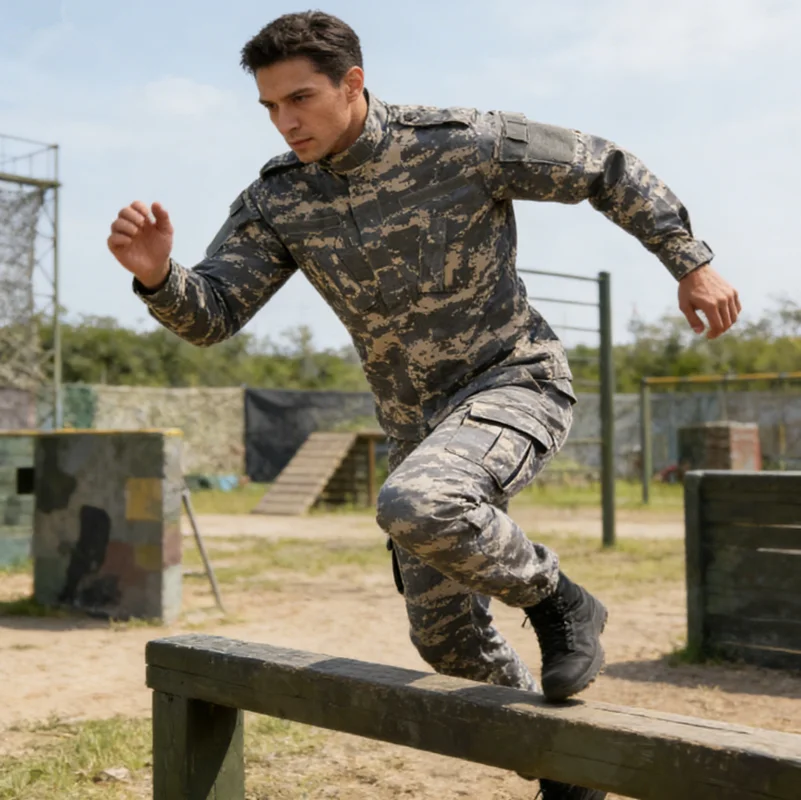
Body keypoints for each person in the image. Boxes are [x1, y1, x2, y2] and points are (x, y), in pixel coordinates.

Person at [107, 11, 740, 798]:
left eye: (300, 98)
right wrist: (160, 277)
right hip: (416, 425)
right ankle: (561, 766)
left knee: (415, 501)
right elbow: (215, 315)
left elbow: (602, 166)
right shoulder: (280, 199)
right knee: (446, 642)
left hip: (513, 381)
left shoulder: (461, 141)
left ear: (353, 82)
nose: (286, 120)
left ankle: (562, 601)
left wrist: (691, 263)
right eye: (270, 107)